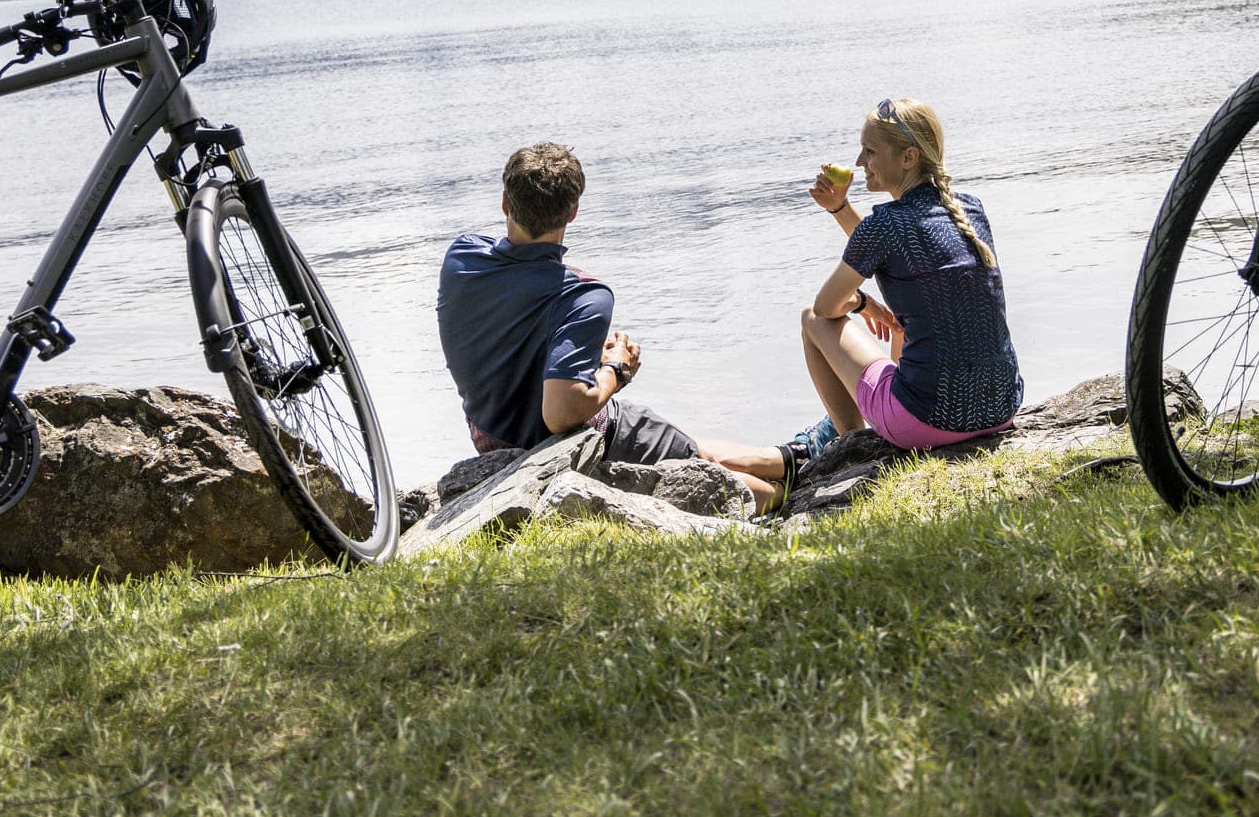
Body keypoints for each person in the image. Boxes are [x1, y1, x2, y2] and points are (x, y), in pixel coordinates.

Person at [437, 140, 788, 509]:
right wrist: (615, 370)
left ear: (506, 202)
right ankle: (787, 495)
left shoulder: (462, 257)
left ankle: (786, 459)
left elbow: (508, 320)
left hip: (491, 435)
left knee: (681, 442)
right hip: (561, 443)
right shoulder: (583, 295)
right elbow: (561, 415)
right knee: (702, 467)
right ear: (573, 212)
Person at [802, 97, 1023, 448]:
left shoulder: (884, 226)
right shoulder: (971, 210)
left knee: (812, 319)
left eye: (870, 151)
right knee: (914, 322)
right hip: (1001, 408)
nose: (860, 163)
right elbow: (893, 248)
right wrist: (840, 209)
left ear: (908, 157)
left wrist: (861, 303)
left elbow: (826, 306)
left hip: (926, 423)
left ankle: (853, 444)